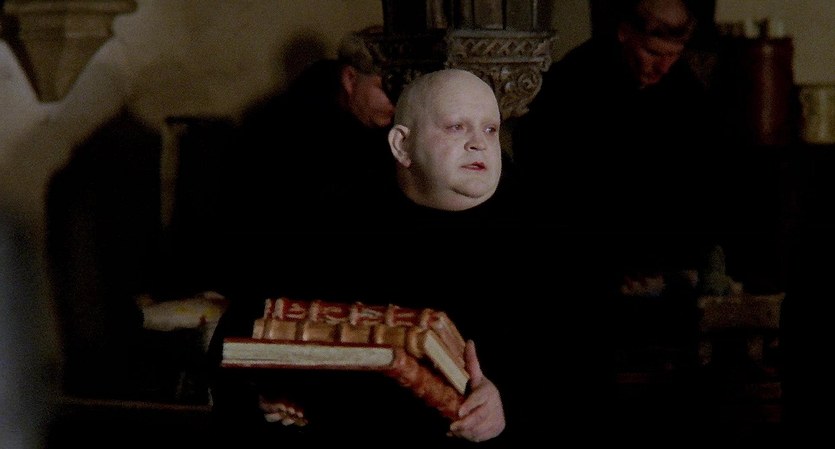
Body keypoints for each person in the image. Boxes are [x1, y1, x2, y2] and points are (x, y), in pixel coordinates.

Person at [205, 69, 515, 447]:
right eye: (456, 127)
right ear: (401, 145)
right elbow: (245, 338)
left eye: (490, 129)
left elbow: (565, 366)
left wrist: (504, 403)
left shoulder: (537, 234)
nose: (479, 144)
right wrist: (271, 392)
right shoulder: (331, 223)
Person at [512, 0, 725, 237]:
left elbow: (705, 167)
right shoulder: (574, 80)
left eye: (673, 54)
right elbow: (550, 176)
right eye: (653, 52)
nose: (664, 68)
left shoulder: (683, 86)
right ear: (624, 33)